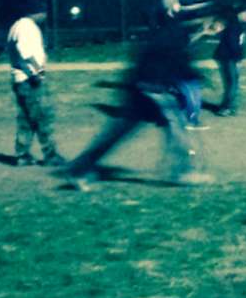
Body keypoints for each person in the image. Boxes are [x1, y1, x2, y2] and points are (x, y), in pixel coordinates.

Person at [59, 13, 211, 188]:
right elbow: (175, 62)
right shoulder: (176, 34)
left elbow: (159, 60)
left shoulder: (171, 31)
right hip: (153, 89)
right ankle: (185, 171)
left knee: (118, 133)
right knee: (177, 128)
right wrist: (193, 75)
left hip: (142, 88)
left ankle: (79, 169)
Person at [7, 1, 65, 167]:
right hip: (29, 79)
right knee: (42, 117)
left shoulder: (17, 25)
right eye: (44, 12)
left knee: (25, 119)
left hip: (20, 79)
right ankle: (50, 154)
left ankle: (22, 154)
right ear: (37, 12)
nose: (46, 16)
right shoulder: (27, 27)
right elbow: (26, 53)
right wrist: (38, 73)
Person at [213, 5, 246, 116]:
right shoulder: (235, 26)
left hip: (229, 57)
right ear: (240, 14)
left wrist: (240, 57)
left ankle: (230, 106)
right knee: (232, 83)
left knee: (233, 82)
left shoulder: (238, 25)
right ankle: (225, 108)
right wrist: (239, 59)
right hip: (227, 57)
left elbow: (238, 44)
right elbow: (233, 44)